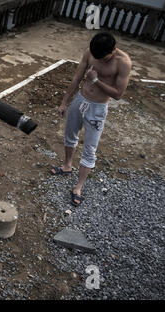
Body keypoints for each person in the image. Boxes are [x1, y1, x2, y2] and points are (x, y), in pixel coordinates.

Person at [51, 32, 132, 206]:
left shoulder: (123, 63)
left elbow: (118, 94)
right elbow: (77, 78)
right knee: (70, 135)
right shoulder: (90, 52)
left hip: (98, 108)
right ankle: (67, 165)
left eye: (103, 58)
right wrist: (65, 102)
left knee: (90, 148)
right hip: (80, 100)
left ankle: (78, 187)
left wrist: (96, 80)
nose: (100, 60)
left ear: (113, 50)